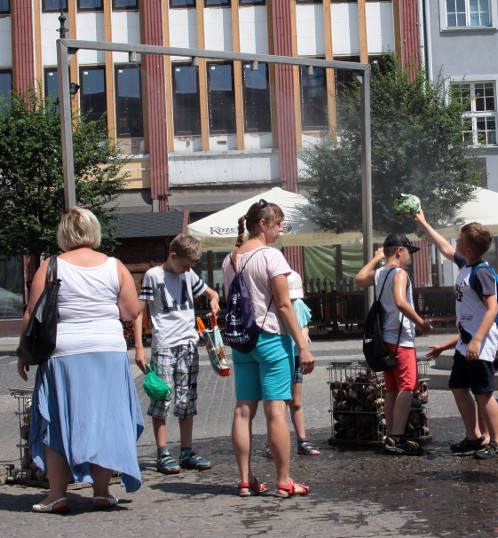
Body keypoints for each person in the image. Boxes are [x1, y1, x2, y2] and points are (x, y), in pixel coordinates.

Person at [17, 207, 143, 513]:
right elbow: (130, 312)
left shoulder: (50, 266)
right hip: (108, 351)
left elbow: (33, 314)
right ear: (93, 230)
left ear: (63, 232)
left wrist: (24, 352)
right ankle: (101, 491)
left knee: (57, 422)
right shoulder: (115, 266)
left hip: (64, 353)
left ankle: (57, 494)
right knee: (107, 421)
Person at [222, 199, 315, 498]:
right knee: (276, 411)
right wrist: (303, 346)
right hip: (271, 338)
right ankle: (284, 480)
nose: (280, 230)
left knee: (242, 411)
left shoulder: (230, 259)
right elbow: (285, 305)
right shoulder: (271, 257)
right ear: (262, 224)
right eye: (277, 224)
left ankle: (246, 480)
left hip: (242, 342)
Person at [414, 210, 498, 460]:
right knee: (457, 386)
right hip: (465, 343)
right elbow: (444, 247)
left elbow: (493, 307)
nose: (455, 241)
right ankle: (474, 437)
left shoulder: (481, 272)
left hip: (480, 343)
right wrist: (424, 223)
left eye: (460, 239)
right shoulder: (466, 265)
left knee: (483, 392)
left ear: (468, 248)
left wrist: (477, 339)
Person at [134, 234, 220, 475]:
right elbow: (139, 312)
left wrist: (213, 300)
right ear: (173, 256)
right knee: (162, 397)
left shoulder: (188, 274)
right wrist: (139, 346)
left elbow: (210, 292)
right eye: (184, 264)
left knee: (187, 399)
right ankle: (162, 452)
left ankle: (186, 450)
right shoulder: (154, 276)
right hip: (164, 345)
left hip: (189, 344)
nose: (187, 269)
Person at [355, 234, 433, 456]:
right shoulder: (399, 273)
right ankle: (397, 436)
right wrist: (421, 323)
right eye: (408, 251)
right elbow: (400, 301)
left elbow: (359, 278)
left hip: (385, 340)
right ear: (399, 251)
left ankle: (390, 435)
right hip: (401, 340)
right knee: (408, 387)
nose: (408, 256)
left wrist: (376, 258)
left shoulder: (380, 273)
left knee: (392, 389)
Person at [264, 271, 320, 458]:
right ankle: (273, 442)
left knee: (295, 401)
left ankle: (301, 440)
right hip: (279, 356)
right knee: (277, 403)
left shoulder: (298, 304)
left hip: (295, 357)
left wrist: (304, 331)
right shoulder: (272, 306)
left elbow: (304, 323)